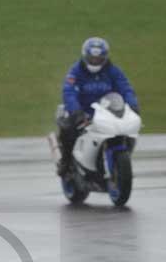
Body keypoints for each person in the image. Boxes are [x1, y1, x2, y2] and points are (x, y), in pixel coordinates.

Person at [55, 37, 139, 176]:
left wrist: (133, 105)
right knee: (68, 130)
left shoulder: (113, 71)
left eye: (99, 59)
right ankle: (66, 162)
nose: (95, 61)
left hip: (107, 112)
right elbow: (68, 91)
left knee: (128, 130)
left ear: (105, 57)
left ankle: (122, 162)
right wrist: (76, 111)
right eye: (92, 58)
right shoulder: (75, 71)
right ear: (85, 56)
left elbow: (126, 88)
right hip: (82, 113)